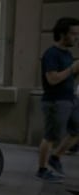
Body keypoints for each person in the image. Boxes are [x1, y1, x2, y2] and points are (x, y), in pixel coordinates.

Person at [36, 17, 79, 182]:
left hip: (70, 99)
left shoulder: (67, 54)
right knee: (51, 136)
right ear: (63, 34)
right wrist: (72, 69)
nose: (76, 37)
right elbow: (52, 79)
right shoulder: (51, 54)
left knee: (77, 130)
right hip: (55, 101)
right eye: (74, 34)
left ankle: (55, 157)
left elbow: (69, 77)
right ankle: (42, 169)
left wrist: (75, 71)